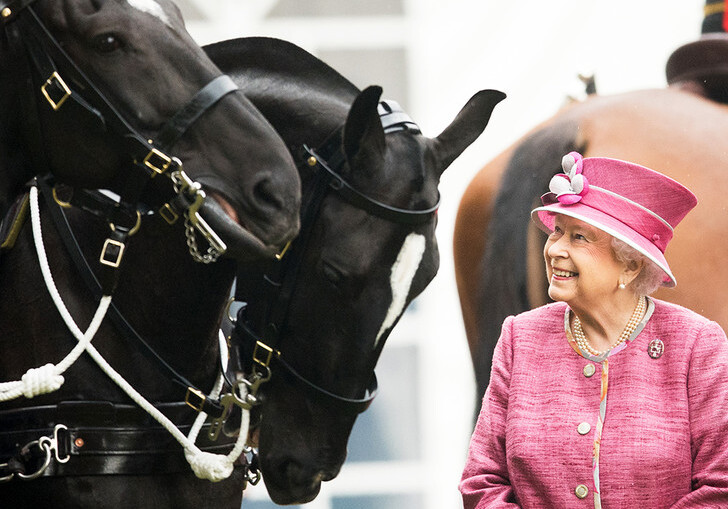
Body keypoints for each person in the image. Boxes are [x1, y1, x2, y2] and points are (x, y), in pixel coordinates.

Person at [459, 152, 728, 508]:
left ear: (630, 265)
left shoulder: (696, 345)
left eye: (579, 237)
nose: (555, 249)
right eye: (557, 231)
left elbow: (721, 486)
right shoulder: (520, 338)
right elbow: (482, 480)